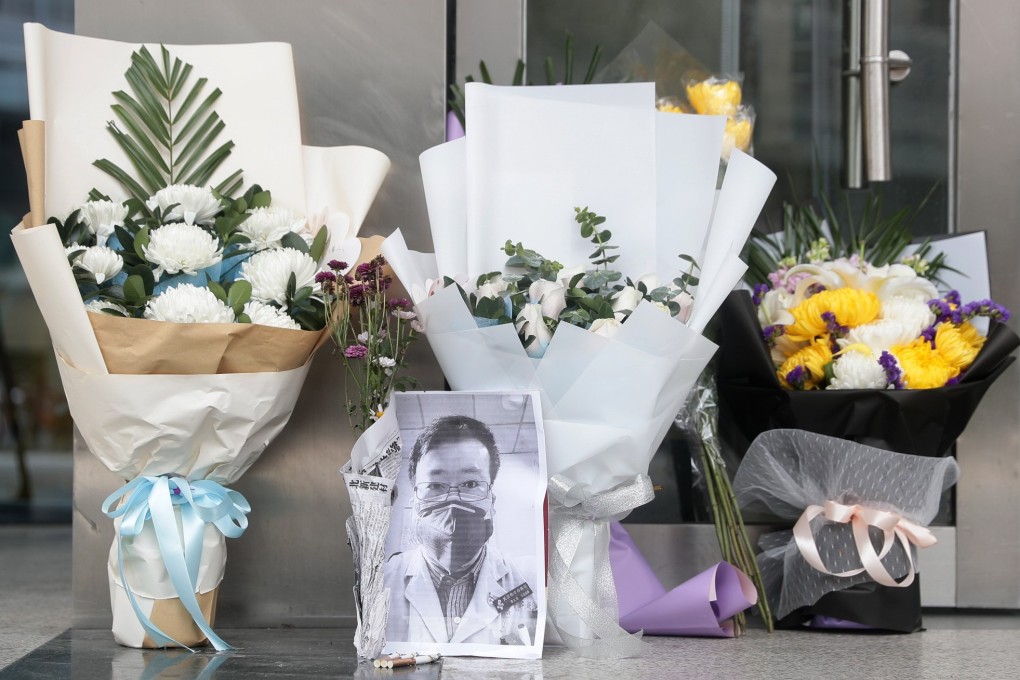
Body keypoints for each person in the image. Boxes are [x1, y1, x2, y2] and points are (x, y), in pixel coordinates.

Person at [385, 415, 538, 646]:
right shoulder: (385, 581)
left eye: (470, 484)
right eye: (435, 485)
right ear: (415, 503)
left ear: (491, 501)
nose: (453, 502)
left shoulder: (528, 581)